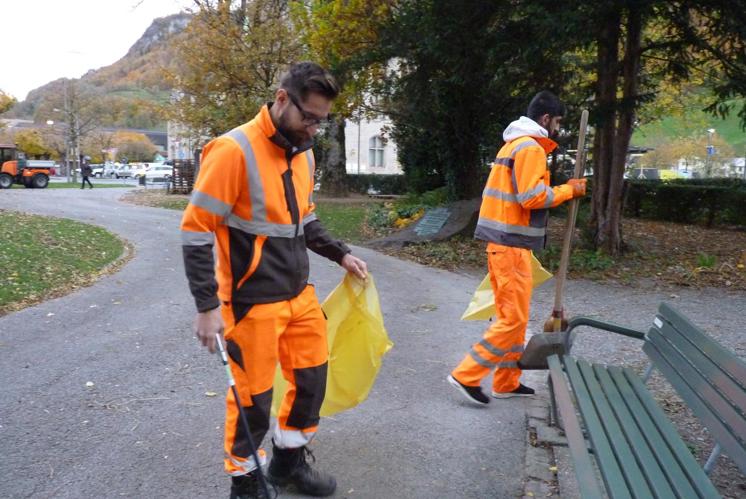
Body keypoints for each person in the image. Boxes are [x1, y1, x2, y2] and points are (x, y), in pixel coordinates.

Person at [180, 62, 368, 499]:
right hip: (251, 300)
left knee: (311, 385)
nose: (315, 128)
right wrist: (207, 307)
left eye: (322, 120)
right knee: (253, 401)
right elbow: (195, 230)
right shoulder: (232, 150)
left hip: (299, 293)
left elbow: (304, 218)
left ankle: (287, 465)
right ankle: (245, 481)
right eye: (309, 117)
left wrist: (340, 253)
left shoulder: (303, 151)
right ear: (282, 99)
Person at [447, 91, 587, 404]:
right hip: (508, 246)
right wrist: (569, 190)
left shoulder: (516, 144)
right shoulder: (530, 148)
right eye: (558, 122)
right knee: (510, 319)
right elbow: (531, 197)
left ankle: (507, 381)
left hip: (510, 245)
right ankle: (465, 375)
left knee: (517, 318)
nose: (558, 129)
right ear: (546, 119)